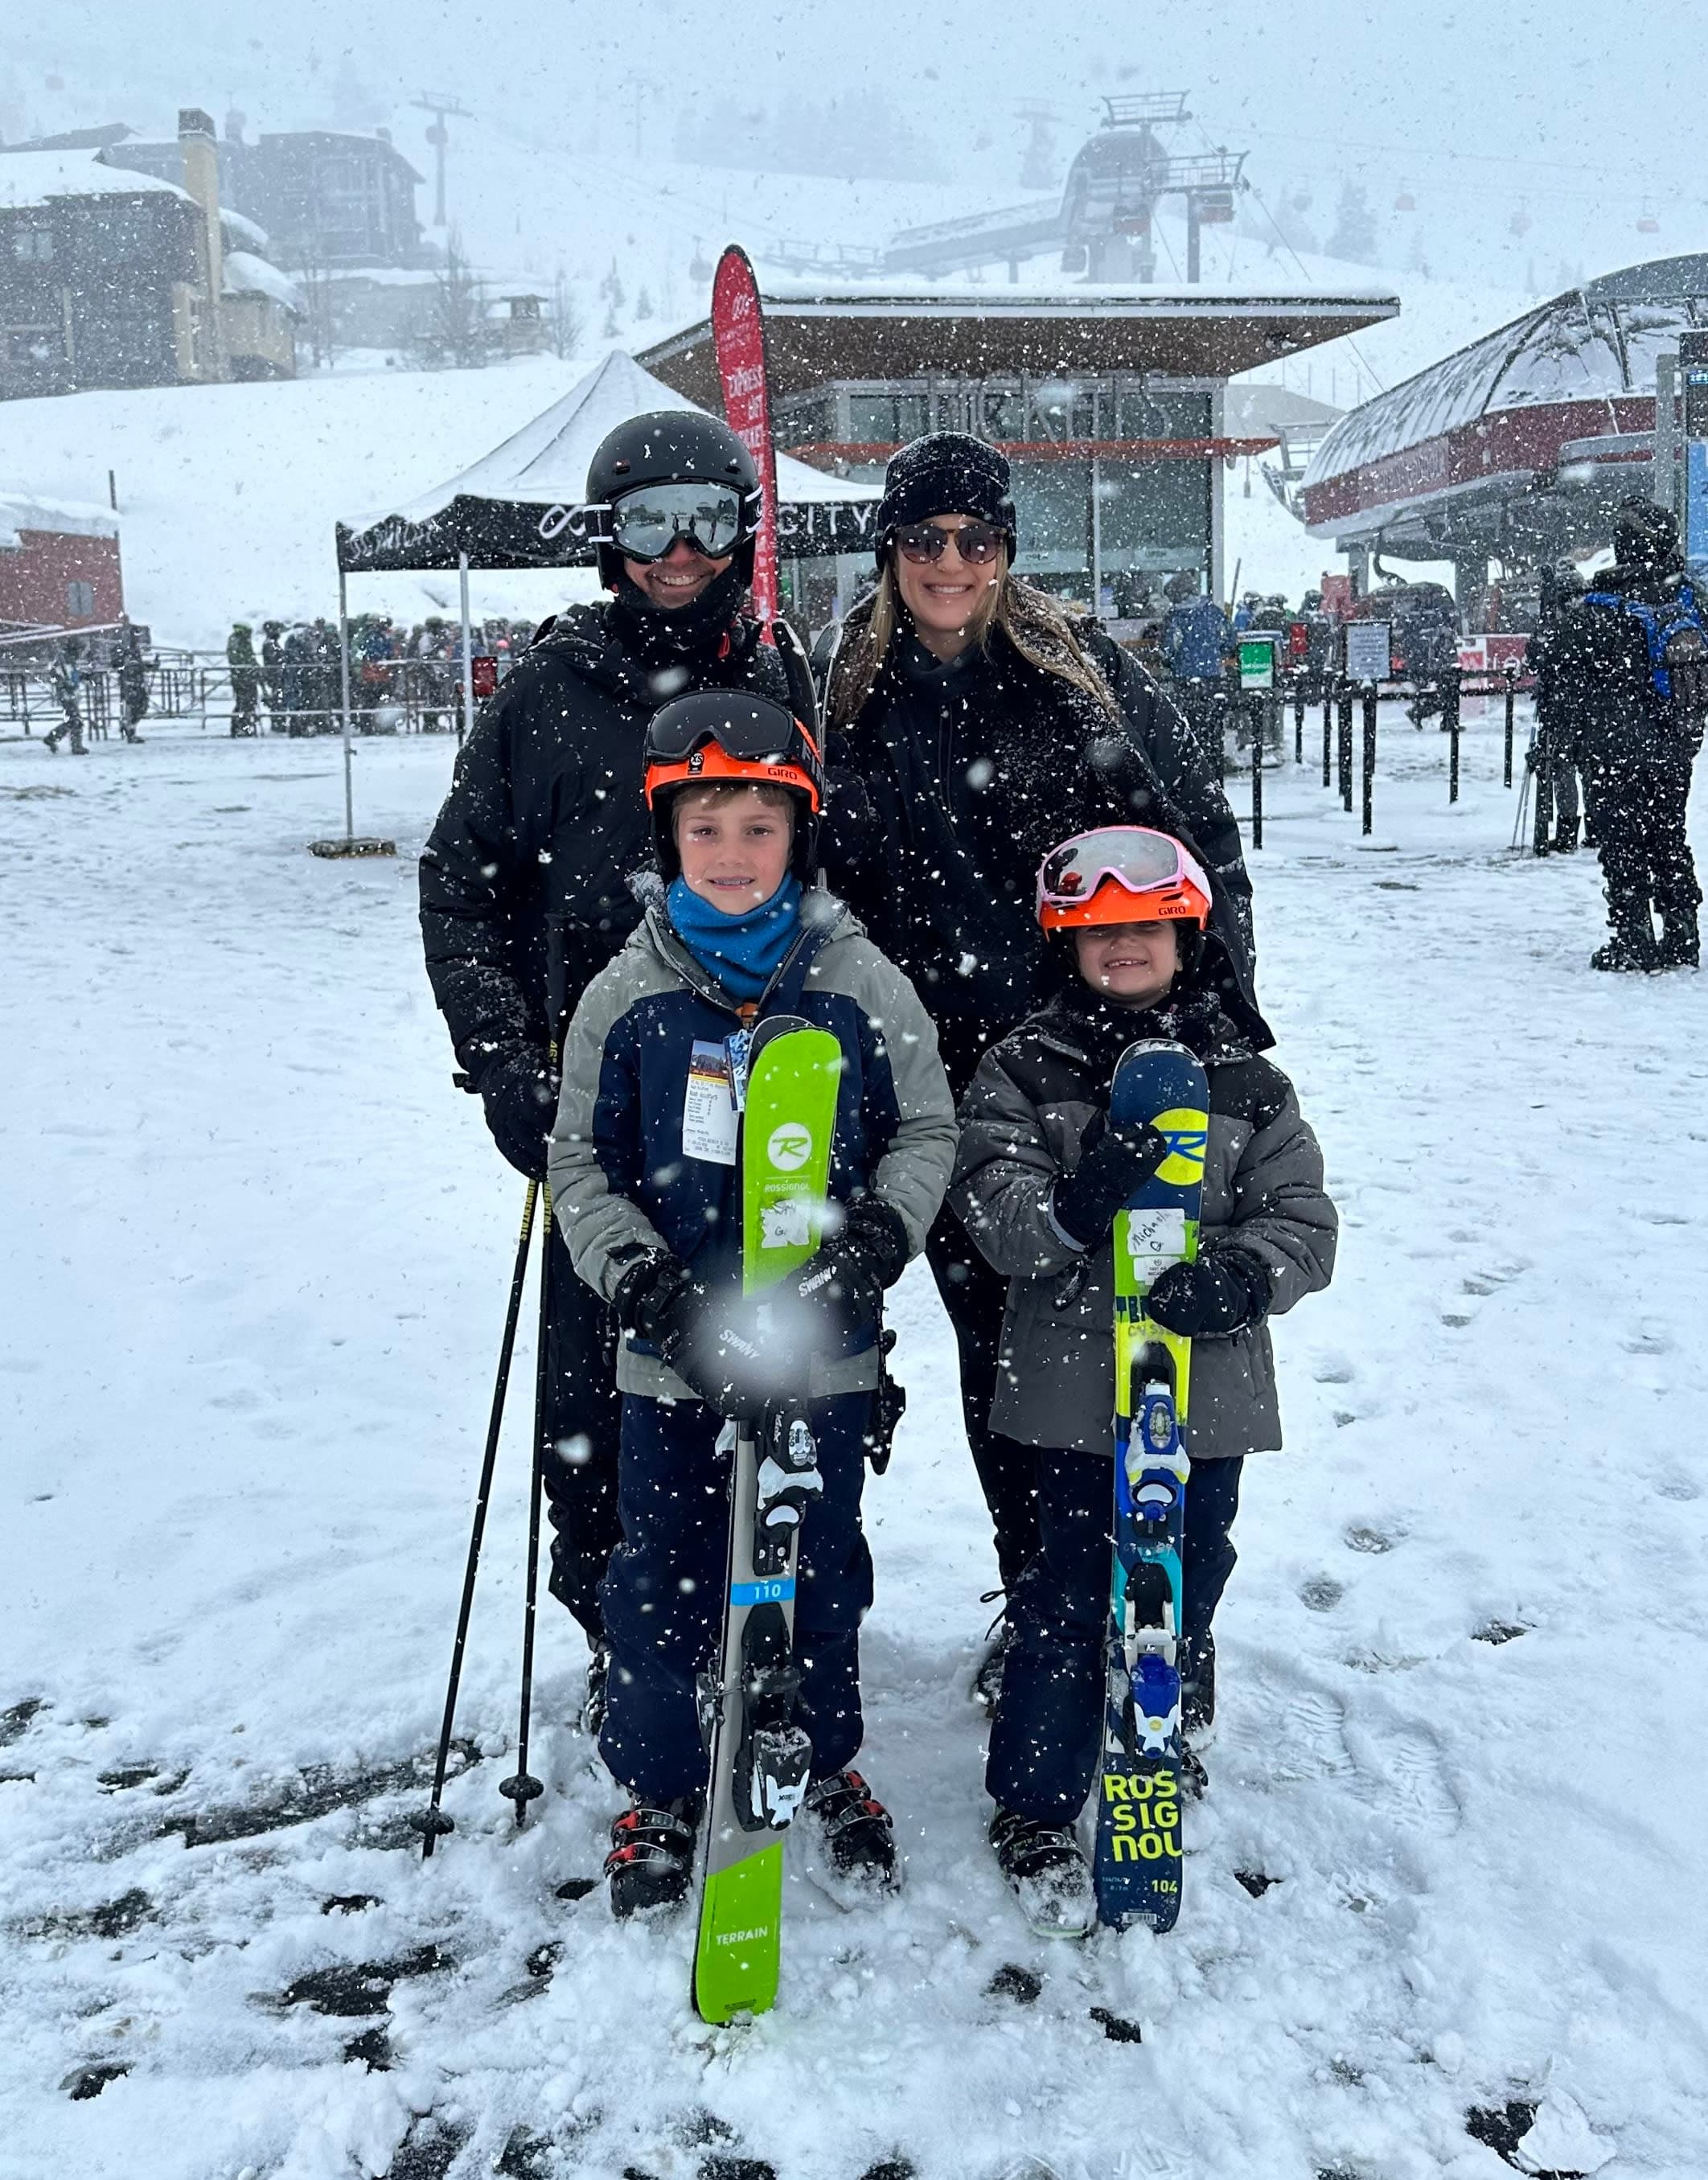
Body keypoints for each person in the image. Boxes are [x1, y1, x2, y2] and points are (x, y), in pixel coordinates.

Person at [819, 431, 1263, 1689]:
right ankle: (1046, 1593)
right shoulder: (845, 697)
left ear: (1007, 550)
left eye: (976, 539)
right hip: (924, 1085)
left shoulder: (1083, 682)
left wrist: (1213, 1025)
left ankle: (1159, 1594)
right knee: (998, 1365)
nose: (951, 563)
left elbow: (1199, 854)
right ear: (891, 551)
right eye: (925, 540)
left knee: (1132, 1346)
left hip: (1079, 1068)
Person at [548, 690, 956, 1915]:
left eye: (760, 828)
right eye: (707, 826)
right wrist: (645, 1286)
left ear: (801, 834)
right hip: (674, 1358)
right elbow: (580, 1163)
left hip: (820, 1352)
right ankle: (664, 1786)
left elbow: (928, 1126)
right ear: (668, 836)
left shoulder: (857, 980)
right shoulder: (629, 995)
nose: (733, 854)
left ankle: (819, 1758)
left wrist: (879, 1232)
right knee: (662, 1575)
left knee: (813, 1569)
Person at [421, 409, 795, 1718]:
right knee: (597, 1383)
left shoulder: (777, 676)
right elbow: (456, 883)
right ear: (607, 542)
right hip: (599, 1123)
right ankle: (616, 1605)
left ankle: (764, 1590)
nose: (676, 550)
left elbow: (838, 877)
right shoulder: (549, 689)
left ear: (739, 529)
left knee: (765, 1352)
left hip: (763, 1108)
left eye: (701, 516)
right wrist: (502, 1054)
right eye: (645, 521)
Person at [950, 825, 1336, 1935]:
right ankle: (1034, 1795)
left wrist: (1240, 1275)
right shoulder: (1025, 1069)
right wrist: (1076, 1204)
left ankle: (1157, 1726)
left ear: (1187, 936)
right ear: (1066, 942)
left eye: (1145, 928)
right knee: (1065, 1589)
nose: (1124, 948)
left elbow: (1303, 1222)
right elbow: (996, 1214)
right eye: (1099, 931)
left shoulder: (1248, 1080)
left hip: (1201, 1397)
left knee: (1185, 1568)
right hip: (1070, 1395)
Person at [1554, 499, 1704, 969]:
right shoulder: (1688, 598)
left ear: (1624, 548)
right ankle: (1682, 934)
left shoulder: (1596, 608)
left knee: (1622, 839)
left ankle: (1633, 936)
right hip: (1675, 744)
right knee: (1668, 833)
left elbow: (1555, 666)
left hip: (1613, 747)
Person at [1527, 563, 1589, 854]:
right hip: (1591, 707)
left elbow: (1537, 656)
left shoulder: (1557, 627)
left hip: (1562, 706)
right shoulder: (1595, 621)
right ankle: (1597, 828)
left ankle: (1566, 833)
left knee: (1563, 770)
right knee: (1590, 769)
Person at [42, 640, 87, 754]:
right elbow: (54, 676)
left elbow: (74, 676)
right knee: (76, 721)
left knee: (74, 720)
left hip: (71, 694)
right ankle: (75, 745)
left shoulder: (70, 662)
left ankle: (53, 738)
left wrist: (84, 677)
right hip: (66, 695)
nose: (81, 654)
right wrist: (63, 684)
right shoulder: (62, 662)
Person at [227, 622, 261, 737]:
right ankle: (241, 726)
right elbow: (240, 659)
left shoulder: (240, 641)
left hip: (245, 677)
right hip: (243, 678)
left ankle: (244, 725)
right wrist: (249, 669)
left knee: (247, 703)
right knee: (244, 703)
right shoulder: (238, 641)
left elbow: (249, 657)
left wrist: (256, 668)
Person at [117, 621, 148, 743]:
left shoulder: (130, 649)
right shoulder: (129, 649)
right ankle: (130, 730)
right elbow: (131, 665)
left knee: (137, 707)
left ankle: (128, 727)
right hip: (132, 683)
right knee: (137, 707)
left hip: (132, 682)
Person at [260, 622, 285, 720]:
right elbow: (274, 659)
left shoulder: (271, 643)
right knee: (277, 697)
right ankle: (277, 720)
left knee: (278, 697)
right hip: (275, 674)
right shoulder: (270, 644)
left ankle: (278, 719)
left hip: (275, 673)